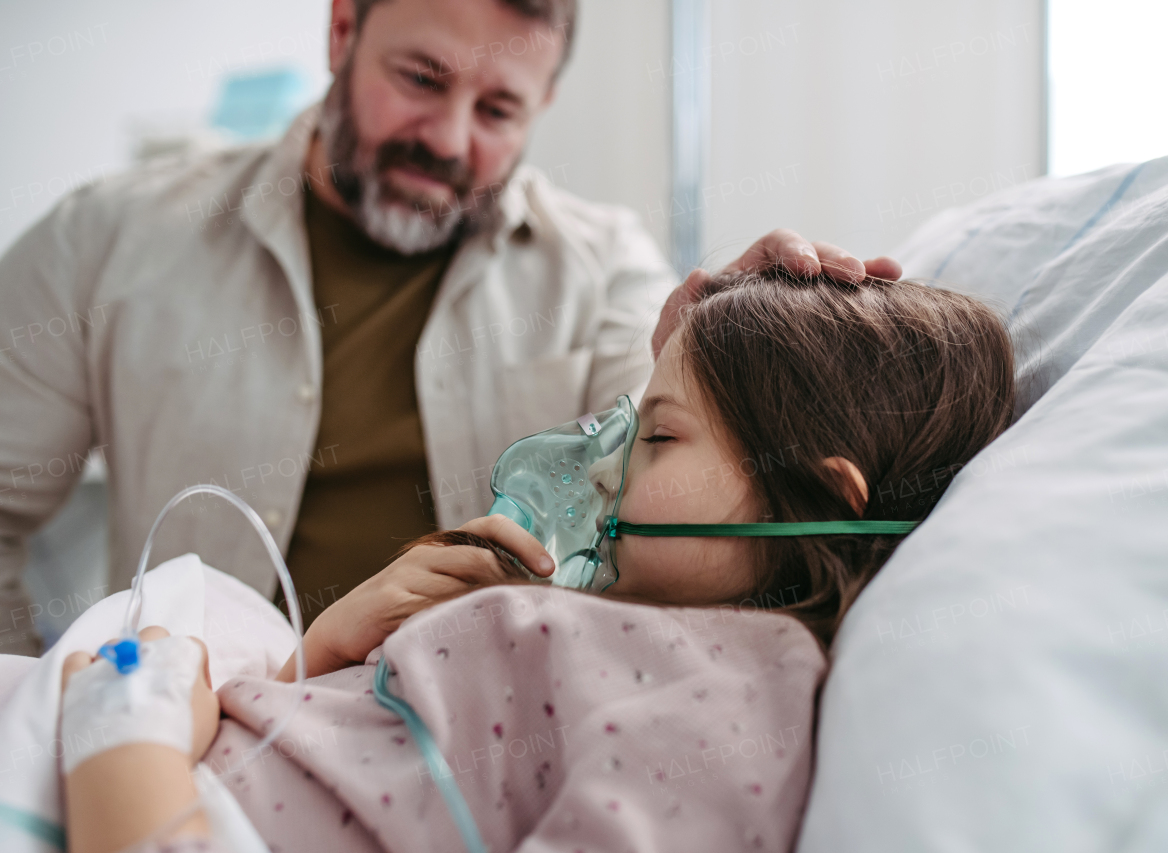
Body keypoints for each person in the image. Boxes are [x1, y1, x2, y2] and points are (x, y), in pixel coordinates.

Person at [0, 0, 901, 654]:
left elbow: (649, 493)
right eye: (420, 79)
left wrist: (710, 362)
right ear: (341, 32)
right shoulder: (107, 240)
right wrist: (51, 720)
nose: (448, 136)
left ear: (541, 106)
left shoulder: (603, 270)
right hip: (163, 745)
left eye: (498, 110)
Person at [58, 266, 1015, 852]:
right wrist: (325, 649)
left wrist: (124, 746)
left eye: (660, 437)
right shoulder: (627, 627)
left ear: (815, 494)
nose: (600, 466)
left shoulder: (733, 700)